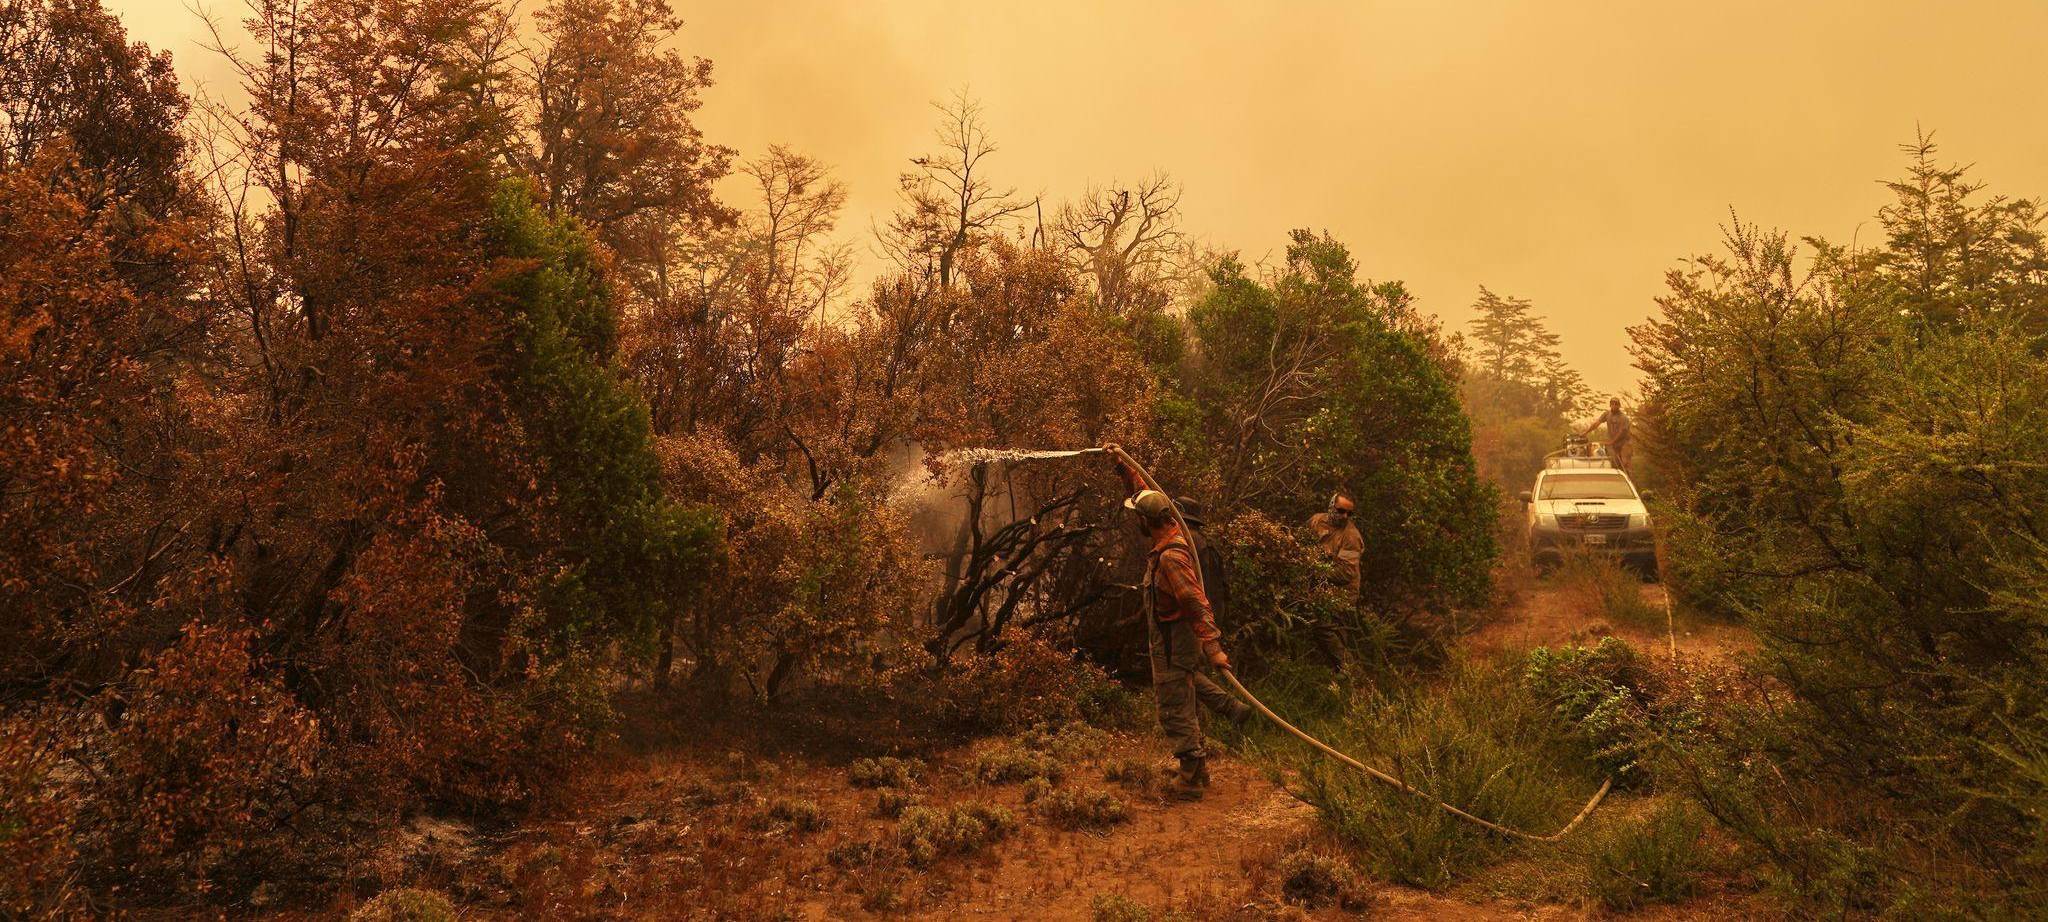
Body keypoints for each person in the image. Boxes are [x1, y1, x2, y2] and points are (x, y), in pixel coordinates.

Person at [1103, 447, 1234, 795]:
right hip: (1172, 639)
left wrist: (1214, 648)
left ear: (1148, 522)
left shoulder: (1173, 557)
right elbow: (1147, 499)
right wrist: (1124, 466)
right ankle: (1201, 764)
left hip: (1176, 641)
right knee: (1185, 695)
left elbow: (1195, 602)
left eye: (1139, 517)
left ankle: (1190, 778)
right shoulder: (1168, 527)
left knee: (1174, 704)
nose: (1137, 521)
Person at [1308, 494, 1364, 596]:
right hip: (1317, 584)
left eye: (1349, 513)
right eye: (1341, 511)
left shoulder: (1351, 537)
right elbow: (1302, 540)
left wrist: (1314, 572)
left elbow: (1346, 572)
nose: (1345, 516)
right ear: (1331, 506)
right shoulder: (1316, 520)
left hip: (1342, 593)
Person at [1581, 398, 1632, 470]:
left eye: (1616, 404)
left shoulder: (1623, 418)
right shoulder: (1607, 414)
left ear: (1619, 406)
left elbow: (1621, 432)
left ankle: (1627, 477)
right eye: (1612, 404)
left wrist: (1612, 441)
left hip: (1624, 443)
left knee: (1624, 463)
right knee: (1615, 463)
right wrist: (1586, 432)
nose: (1614, 406)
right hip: (1614, 444)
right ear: (1610, 405)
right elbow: (1596, 424)